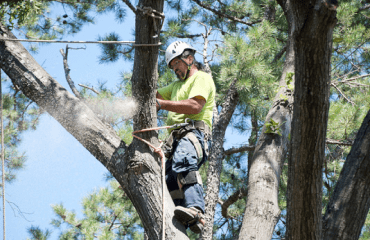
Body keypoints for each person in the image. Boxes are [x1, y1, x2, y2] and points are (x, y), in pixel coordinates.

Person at [156, 41, 216, 233]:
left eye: (177, 64)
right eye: (172, 67)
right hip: (173, 143)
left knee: (184, 161)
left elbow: (195, 106)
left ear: (189, 58)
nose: (175, 70)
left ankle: (196, 210)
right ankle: (180, 220)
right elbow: (153, 96)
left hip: (193, 134)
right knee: (169, 181)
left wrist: (162, 104)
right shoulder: (174, 87)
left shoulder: (201, 78)